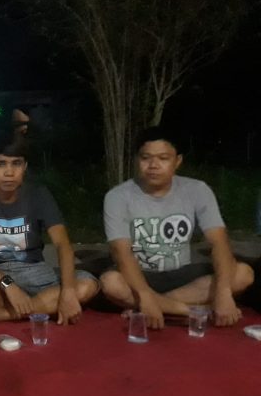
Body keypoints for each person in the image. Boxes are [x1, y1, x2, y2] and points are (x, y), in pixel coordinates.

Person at [100, 126, 254, 329]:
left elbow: (219, 242)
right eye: (146, 158)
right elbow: (121, 253)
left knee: (243, 273)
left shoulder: (197, 190)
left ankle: (156, 306)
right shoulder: (117, 196)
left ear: (177, 161)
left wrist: (223, 293)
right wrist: (144, 294)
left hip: (183, 274)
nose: (153, 165)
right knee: (111, 282)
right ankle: (189, 310)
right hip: (139, 275)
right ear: (137, 160)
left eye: (163, 158)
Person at [0, 128, 99, 327]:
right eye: (1, 164)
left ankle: (7, 313)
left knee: (87, 284)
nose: (9, 172)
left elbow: (62, 244)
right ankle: (40, 307)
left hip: (37, 274)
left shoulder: (38, 194)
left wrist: (69, 291)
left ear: (25, 167)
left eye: (16, 164)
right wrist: (8, 285)